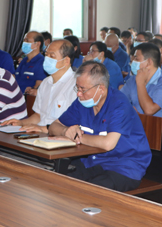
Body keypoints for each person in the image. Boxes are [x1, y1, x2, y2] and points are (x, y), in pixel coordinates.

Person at [48, 61, 151, 192]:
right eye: (77, 88)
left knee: (90, 191)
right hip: (93, 160)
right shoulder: (82, 102)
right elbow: (53, 126)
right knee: (57, 181)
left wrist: (75, 137)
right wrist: (65, 131)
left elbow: (108, 144)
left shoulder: (119, 104)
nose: (79, 93)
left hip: (123, 165)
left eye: (83, 89)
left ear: (101, 89)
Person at [1, 40, 77, 133]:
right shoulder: (45, 82)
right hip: (40, 133)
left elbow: (73, 123)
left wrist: (43, 129)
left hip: (59, 135)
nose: (47, 59)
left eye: (52, 56)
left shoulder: (76, 85)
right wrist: (21, 123)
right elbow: (39, 116)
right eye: (46, 55)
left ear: (66, 61)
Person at [121, 43, 162, 118]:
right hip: (137, 122)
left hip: (159, 124)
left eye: (136, 59)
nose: (132, 61)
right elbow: (118, 100)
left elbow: (149, 110)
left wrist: (140, 83)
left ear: (148, 62)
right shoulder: (133, 79)